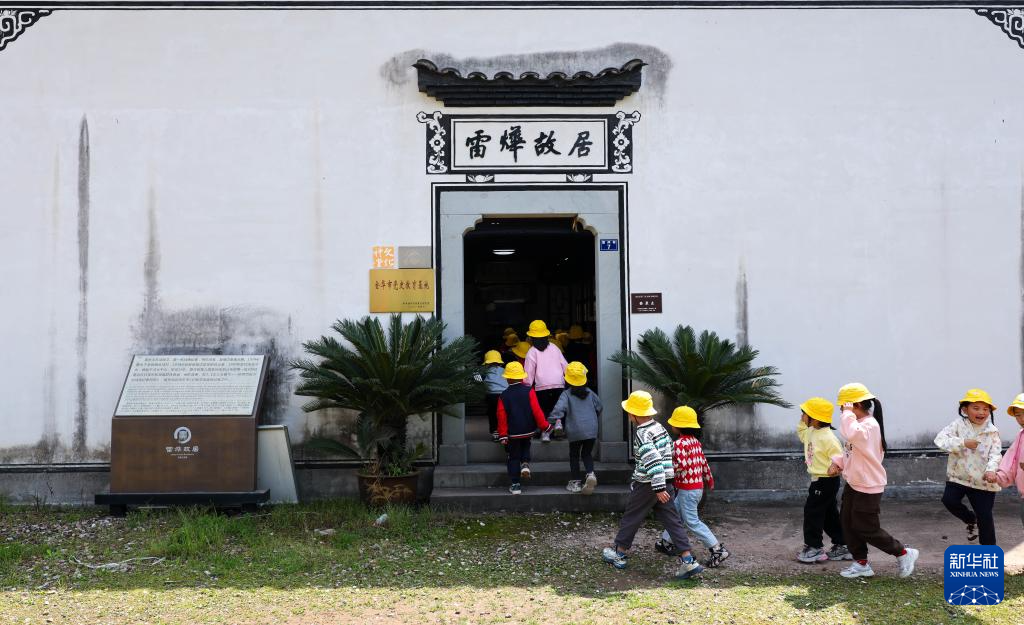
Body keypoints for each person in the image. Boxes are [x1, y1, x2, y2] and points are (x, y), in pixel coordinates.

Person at [601, 391, 703, 580]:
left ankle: (619, 553)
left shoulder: (642, 433)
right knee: (673, 521)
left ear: (634, 414)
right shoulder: (659, 427)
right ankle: (688, 560)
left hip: (648, 485)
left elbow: (653, 461)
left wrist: (658, 488)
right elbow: (670, 451)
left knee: (632, 517)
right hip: (666, 482)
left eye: (629, 411)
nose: (628, 414)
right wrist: (665, 483)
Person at [828, 383, 919, 578]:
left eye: (843, 406)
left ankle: (903, 552)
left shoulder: (868, 425)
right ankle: (861, 563)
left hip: (868, 486)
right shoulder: (859, 425)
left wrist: (847, 413)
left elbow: (851, 434)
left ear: (856, 405)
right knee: (848, 523)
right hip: (855, 483)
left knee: (866, 527)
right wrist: (838, 463)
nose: (841, 411)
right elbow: (852, 451)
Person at [653, 406, 730, 568]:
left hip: (687, 490)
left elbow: (680, 465)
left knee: (692, 522)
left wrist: (665, 474)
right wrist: (709, 480)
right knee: (675, 515)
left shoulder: (679, 444)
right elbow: (703, 463)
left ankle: (717, 549)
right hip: (695, 488)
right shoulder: (695, 442)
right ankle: (665, 542)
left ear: (678, 426)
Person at [934, 389, 1002, 545]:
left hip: (983, 481)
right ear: (965, 409)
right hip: (959, 477)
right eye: (976, 408)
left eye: (985, 409)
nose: (981, 412)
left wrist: (991, 470)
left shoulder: (992, 431)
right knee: (949, 501)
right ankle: (970, 519)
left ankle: (989, 553)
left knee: (985, 517)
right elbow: (940, 440)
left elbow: (996, 453)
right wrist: (963, 442)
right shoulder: (958, 425)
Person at [796, 397, 850, 563]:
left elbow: (840, 456)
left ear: (815, 418)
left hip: (826, 481)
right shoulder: (811, 431)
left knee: (812, 512)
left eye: (804, 414)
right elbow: (802, 434)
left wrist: (836, 466)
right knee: (828, 515)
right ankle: (843, 544)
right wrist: (803, 422)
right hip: (819, 480)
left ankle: (814, 548)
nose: (802, 416)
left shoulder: (828, 438)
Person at [496, 362, 551, 495]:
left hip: (513, 433)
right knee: (526, 446)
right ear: (522, 377)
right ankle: (525, 463)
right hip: (528, 429)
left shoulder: (503, 395)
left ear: (508, 378)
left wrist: (503, 434)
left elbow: (501, 416)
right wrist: (545, 426)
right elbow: (537, 411)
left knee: (513, 456)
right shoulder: (529, 391)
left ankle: (515, 485)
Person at [550, 362, 602, 494]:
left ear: (568, 380)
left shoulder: (566, 394)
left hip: (575, 430)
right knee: (587, 454)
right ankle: (590, 474)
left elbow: (558, 410)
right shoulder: (590, 393)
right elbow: (599, 406)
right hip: (591, 429)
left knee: (574, 455)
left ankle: (576, 483)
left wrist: (551, 420)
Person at [522, 319, 568, 441]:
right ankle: (558, 424)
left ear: (531, 337)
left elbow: (528, 373)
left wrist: (526, 387)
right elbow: (565, 366)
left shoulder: (532, 352)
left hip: (542, 386)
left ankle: (545, 433)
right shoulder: (555, 348)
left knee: (544, 409)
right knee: (557, 407)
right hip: (559, 383)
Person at [996, 394, 1024, 527]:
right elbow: (1011, 460)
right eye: (1018, 415)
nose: (1022, 419)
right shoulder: (1021, 435)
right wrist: (999, 476)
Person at [481, 350, 508, 442]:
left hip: (491, 396)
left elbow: (478, 381)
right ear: (499, 362)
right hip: (505, 395)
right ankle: (505, 432)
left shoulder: (484, 372)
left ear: (486, 363)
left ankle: (495, 432)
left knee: (492, 413)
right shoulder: (504, 370)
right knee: (504, 414)